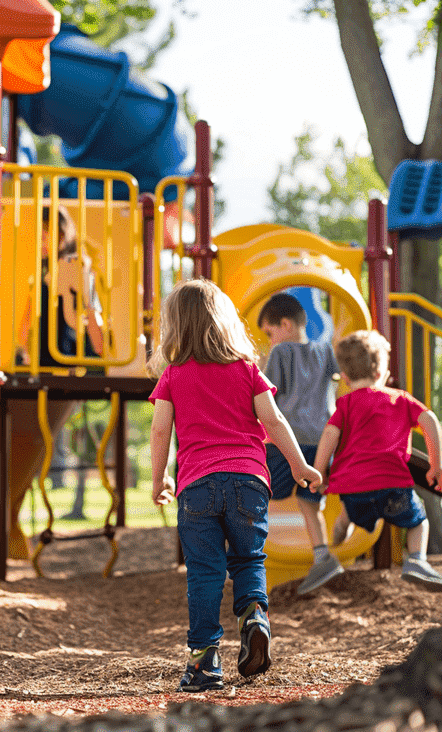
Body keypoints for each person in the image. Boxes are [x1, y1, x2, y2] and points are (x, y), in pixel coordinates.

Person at [149, 279, 321, 692]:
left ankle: (205, 662)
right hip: (248, 482)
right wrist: (300, 465)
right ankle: (254, 618)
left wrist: (159, 478)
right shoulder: (247, 370)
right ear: (225, 322)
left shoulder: (173, 376)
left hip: (197, 487)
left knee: (205, 573)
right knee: (248, 559)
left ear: (174, 328)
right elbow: (275, 422)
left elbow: (159, 433)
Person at [313, 330, 442, 590]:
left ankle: (339, 534)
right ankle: (417, 560)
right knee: (418, 521)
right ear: (382, 372)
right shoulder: (400, 399)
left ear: (346, 378)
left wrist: (319, 472)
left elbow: (329, 434)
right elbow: (430, 420)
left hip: (353, 489)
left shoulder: (345, 404)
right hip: (392, 483)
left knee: (350, 514)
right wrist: (435, 464)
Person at [257, 292, 344, 595]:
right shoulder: (324, 350)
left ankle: (240, 546)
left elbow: (267, 394)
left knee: (256, 486)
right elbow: (338, 376)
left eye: (270, 333)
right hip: (322, 441)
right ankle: (323, 556)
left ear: (285, 324)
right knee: (310, 503)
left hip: (288, 442)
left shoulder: (280, 354)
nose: (270, 341)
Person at [17, 205, 104, 368]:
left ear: (62, 236)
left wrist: (99, 350)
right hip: (49, 352)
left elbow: (90, 309)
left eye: (44, 238)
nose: (40, 244)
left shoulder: (73, 264)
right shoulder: (45, 268)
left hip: (66, 350)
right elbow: (29, 314)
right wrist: (23, 348)